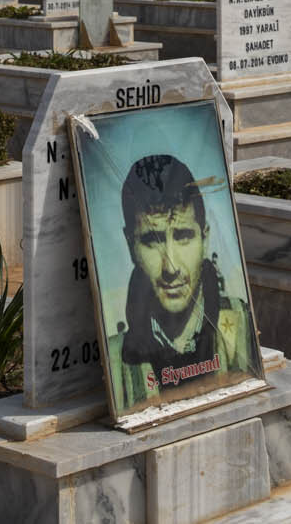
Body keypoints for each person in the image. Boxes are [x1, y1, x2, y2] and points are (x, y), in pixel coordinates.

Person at [105, 152, 257, 409]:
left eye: (184, 236)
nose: (171, 267)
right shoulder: (115, 359)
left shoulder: (240, 323)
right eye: (152, 240)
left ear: (204, 238)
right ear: (132, 246)